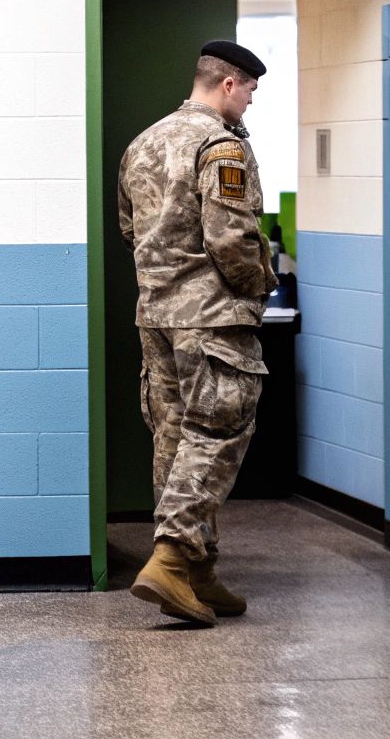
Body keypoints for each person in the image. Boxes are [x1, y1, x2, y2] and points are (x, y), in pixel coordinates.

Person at [116, 39, 277, 627]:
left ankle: (200, 570)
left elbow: (130, 228)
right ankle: (172, 558)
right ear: (229, 84)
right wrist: (258, 286)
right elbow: (231, 236)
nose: (250, 105)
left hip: (156, 315)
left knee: (175, 438)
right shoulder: (220, 145)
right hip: (212, 317)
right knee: (217, 432)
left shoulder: (144, 142)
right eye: (251, 91)